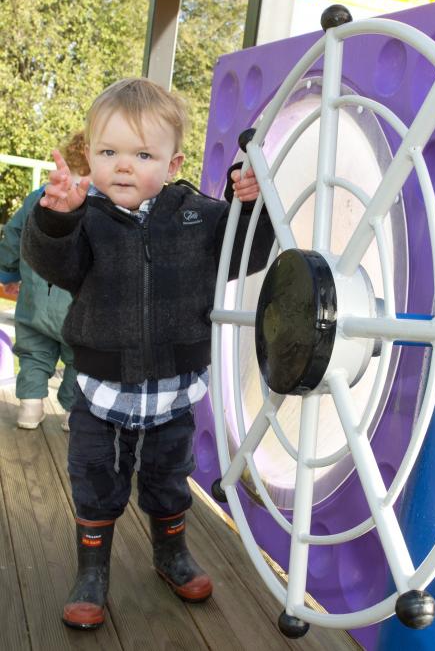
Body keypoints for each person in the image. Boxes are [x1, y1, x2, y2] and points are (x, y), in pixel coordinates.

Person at [22, 77, 273, 630]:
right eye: (109, 152)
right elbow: (51, 264)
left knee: (168, 478)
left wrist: (246, 205)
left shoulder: (197, 214)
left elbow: (247, 253)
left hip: (173, 392)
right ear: (89, 155)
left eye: (142, 154)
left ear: (173, 160)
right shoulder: (86, 217)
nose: (124, 166)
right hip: (101, 394)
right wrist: (57, 218)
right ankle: (92, 570)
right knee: (95, 479)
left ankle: (171, 553)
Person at [0, 131, 89, 430]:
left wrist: (8, 273)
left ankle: (29, 408)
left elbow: (13, 237)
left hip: (35, 300)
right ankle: (72, 414)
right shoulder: (95, 207)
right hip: (78, 307)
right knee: (80, 360)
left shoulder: (40, 197)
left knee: (34, 352)